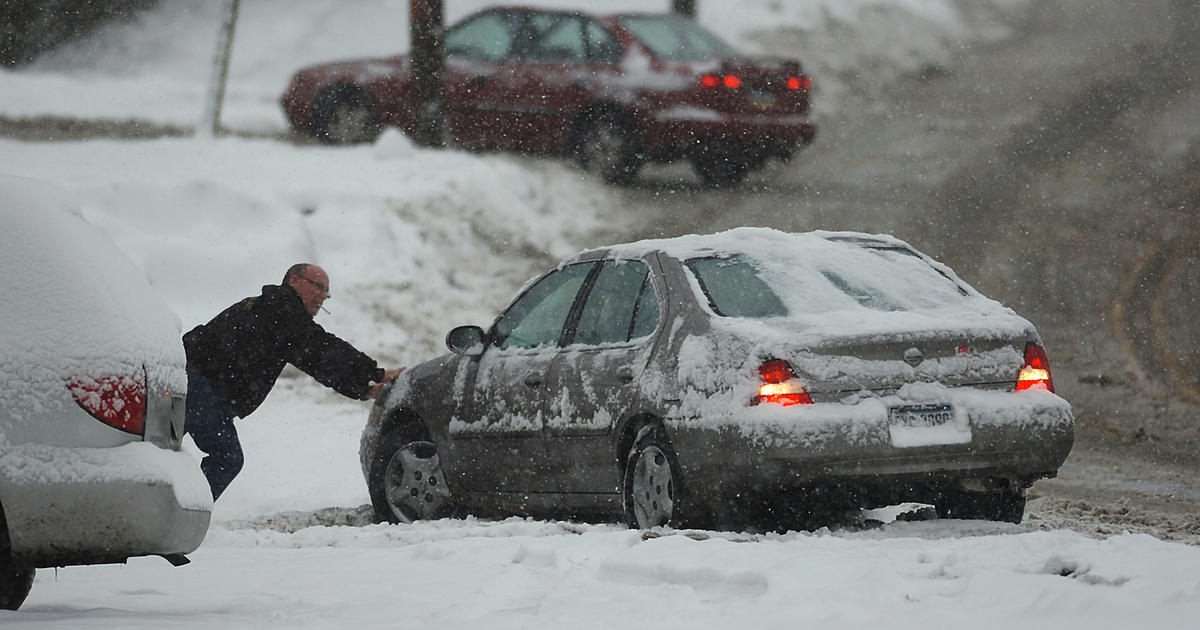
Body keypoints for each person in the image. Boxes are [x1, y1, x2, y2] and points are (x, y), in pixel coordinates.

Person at [182, 263, 403, 500]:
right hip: (200, 390)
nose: (322, 296)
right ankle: (184, 513)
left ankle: (167, 509)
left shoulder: (270, 306)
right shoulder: (281, 309)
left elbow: (315, 358)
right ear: (294, 281)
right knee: (227, 458)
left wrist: (363, 388)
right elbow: (319, 350)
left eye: (326, 292)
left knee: (160, 446)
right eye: (317, 286)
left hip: (191, 385)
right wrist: (375, 375)